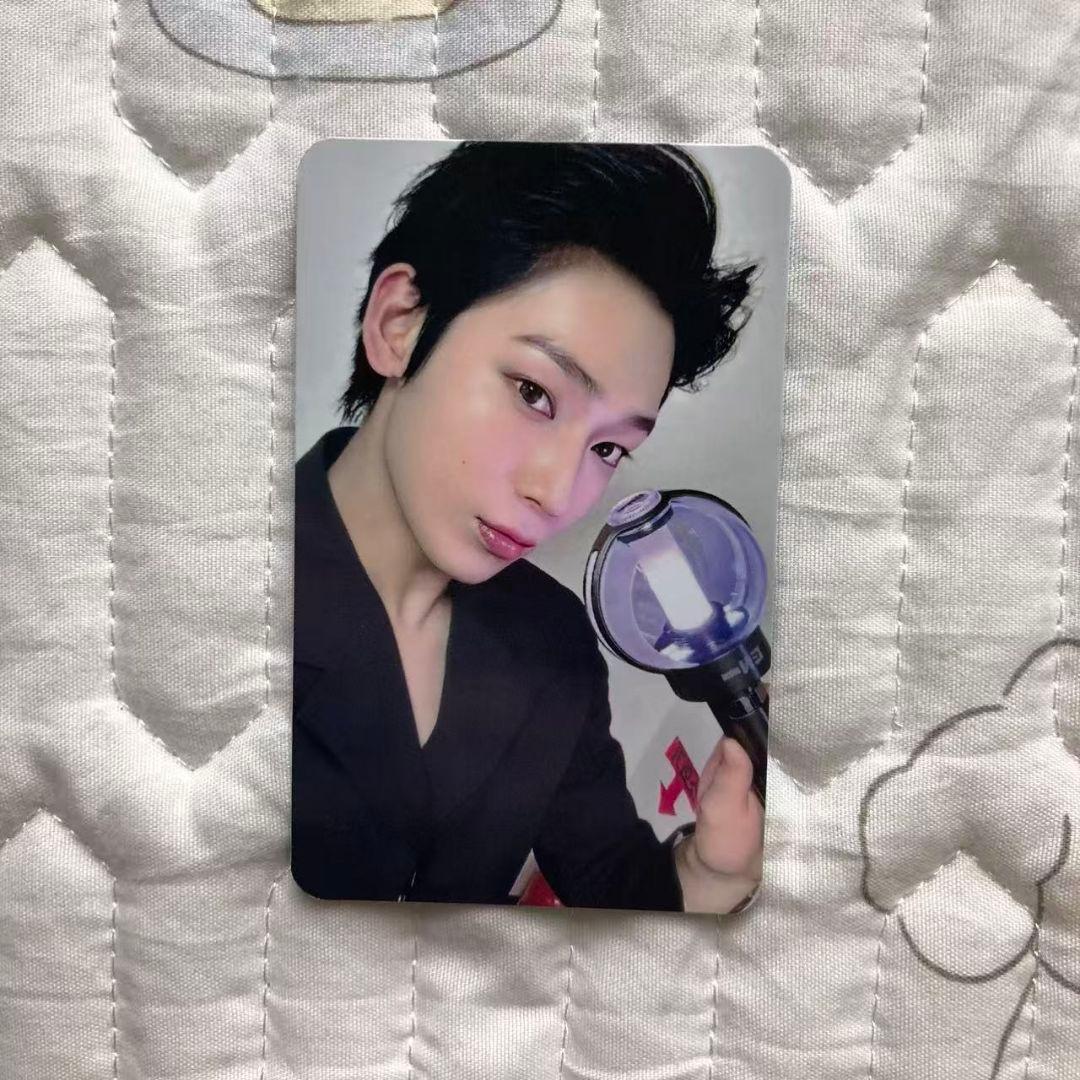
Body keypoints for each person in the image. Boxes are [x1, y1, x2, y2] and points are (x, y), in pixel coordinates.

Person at [291, 141, 763, 912]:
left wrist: (712, 870)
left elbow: (612, 885)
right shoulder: (222, 581)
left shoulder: (556, 642)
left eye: (608, 448)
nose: (558, 493)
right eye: (535, 393)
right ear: (399, 323)